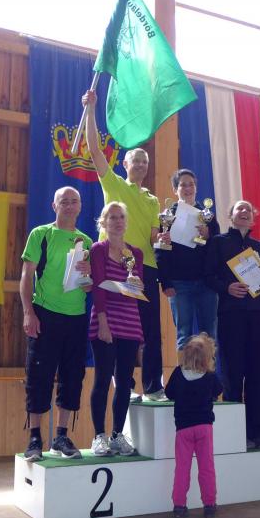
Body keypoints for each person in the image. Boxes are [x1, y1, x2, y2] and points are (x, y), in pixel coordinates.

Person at [83, 90, 167, 402]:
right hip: (115, 264)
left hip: (147, 267)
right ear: (125, 163)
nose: (141, 164)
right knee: (120, 327)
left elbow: (155, 235)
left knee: (150, 330)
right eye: (136, 160)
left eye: (145, 161)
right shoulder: (114, 184)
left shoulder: (153, 199)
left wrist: (162, 239)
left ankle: (154, 386)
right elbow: (94, 149)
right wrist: (91, 110)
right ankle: (125, 383)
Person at [20, 187, 93, 462]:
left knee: (72, 376)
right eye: (65, 202)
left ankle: (61, 436)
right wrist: (29, 312)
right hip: (44, 314)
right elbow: (26, 276)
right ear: (55, 206)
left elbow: (87, 287)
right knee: (38, 375)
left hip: (76, 317)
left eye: (74, 201)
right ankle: (34, 438)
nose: (70, 206)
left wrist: (90, 276)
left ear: (80, 206)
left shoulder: (87, 241)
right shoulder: (40, 234)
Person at [204, 200, 260, 450]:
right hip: (230, 314)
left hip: (257, 315)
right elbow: (207, 276)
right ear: (230, 216)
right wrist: (227, 287)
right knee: (232, 375)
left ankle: (257, 433)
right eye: (239, 209)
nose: (244, 212)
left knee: (256, 374)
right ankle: (235, 436)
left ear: (253, 218)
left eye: (248, 210)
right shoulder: (218, 242)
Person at [88, 202, 144, 456]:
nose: (118, 221)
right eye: (112, 217)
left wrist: (137, 285)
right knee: (102, 379)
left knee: (124, 382)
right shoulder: (98, 250)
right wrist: (103, 323)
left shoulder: (136, 253)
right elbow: (99, 286)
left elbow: (137, 290)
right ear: (104, 222)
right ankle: (99, 436)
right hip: (105, 320)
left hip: (130, 322)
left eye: (121, 217)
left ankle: (117, 435)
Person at [156, 169, 220, 348]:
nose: (187, 188)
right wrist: (165, 282)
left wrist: (209, 235)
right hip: (179, 284)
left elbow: (218, 247)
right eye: (183, 185)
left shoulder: (207, 215)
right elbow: (160, 251)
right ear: (175, 190)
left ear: (196, 188)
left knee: (209, 334)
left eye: (191, 184)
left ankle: (209, 368)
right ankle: (185, 368)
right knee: (184, 334)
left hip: (206, 284)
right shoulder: (167, 216)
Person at [165, 333, 223, 518]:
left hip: (183, 429)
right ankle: (209, 505)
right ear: (208, 357)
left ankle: (179, 506)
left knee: (182, 468)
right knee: (206, 467)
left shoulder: (178, 373)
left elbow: (169, 393)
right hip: (204, 427)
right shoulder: (209, 376)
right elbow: (219, 390)